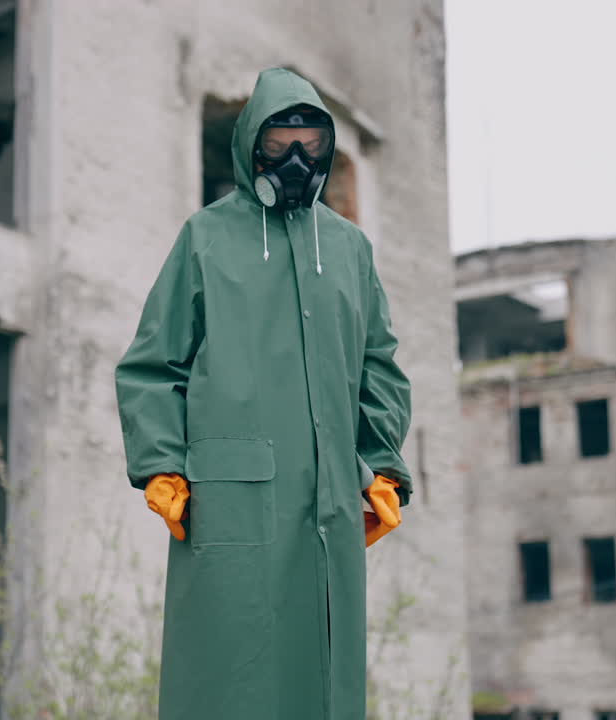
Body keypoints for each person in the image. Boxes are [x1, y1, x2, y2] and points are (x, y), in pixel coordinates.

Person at [114, 67, 413, 720]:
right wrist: (162, 464)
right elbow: (152, 363)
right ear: (252, 146)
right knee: (226, 679)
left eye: (311, 142)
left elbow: (380, 368)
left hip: (330, 500)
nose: (298, 158)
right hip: (228, 506)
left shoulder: (349, 250)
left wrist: (382, 465)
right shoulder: (207, 237)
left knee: (323, 683)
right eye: (281, 143)